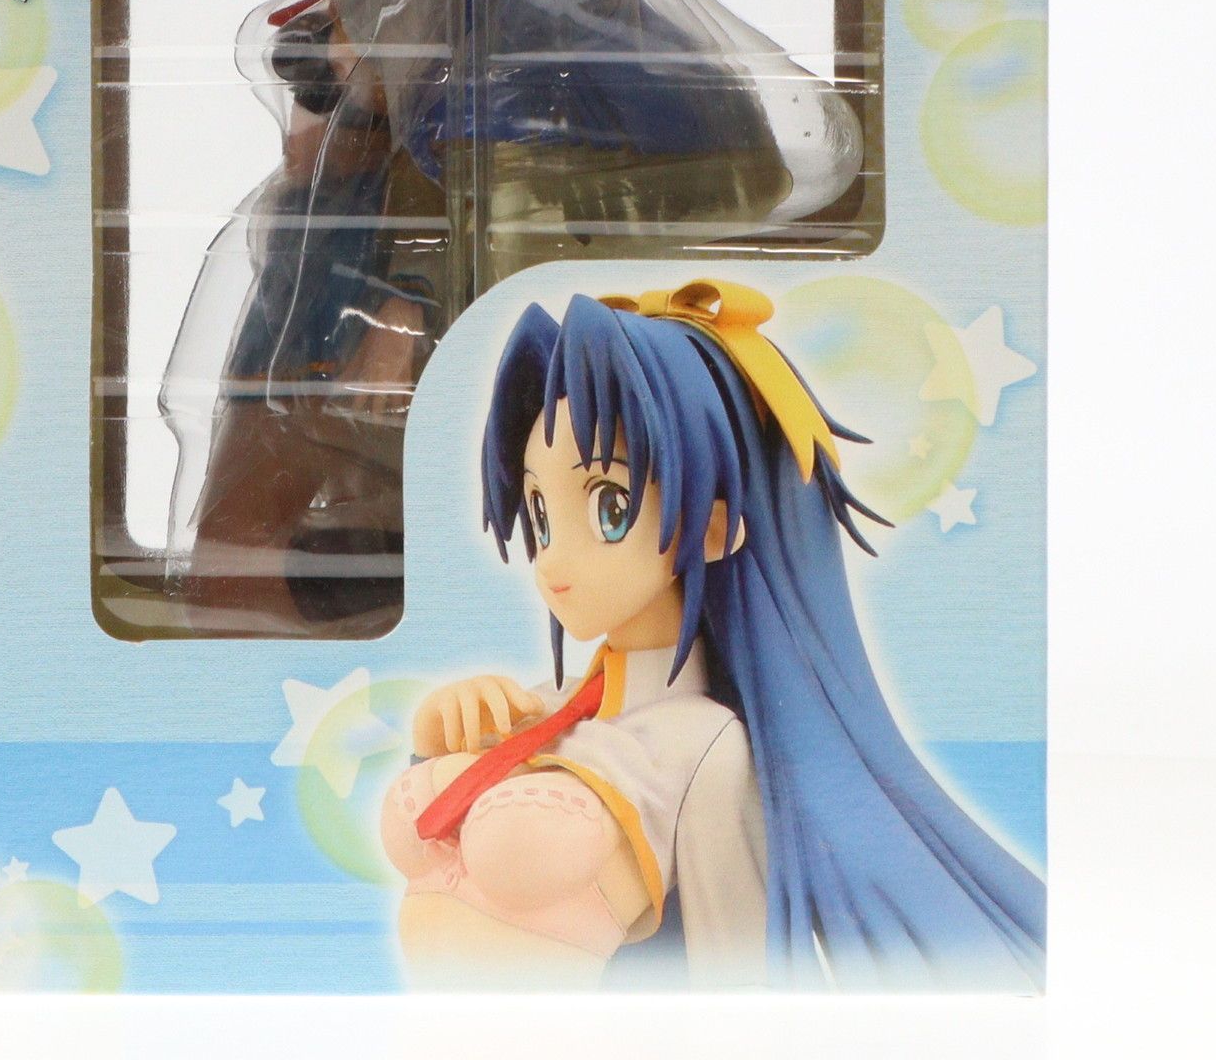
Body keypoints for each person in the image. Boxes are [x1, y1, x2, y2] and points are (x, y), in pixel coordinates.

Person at [157, 0, 863, 638]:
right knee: (301, 254)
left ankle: (278, 568)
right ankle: (282, 565)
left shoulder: (512, 14)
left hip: (459, 313)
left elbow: (497, 222)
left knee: (302, 304)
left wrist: (407, 309)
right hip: (410, 286)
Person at [385, 281, 1045, 990]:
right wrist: (437, 738)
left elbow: (734, 955)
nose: (552, 560)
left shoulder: (707, 745)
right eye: (541, 513)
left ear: (710, 528)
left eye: (610, 507)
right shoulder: (542, 706)